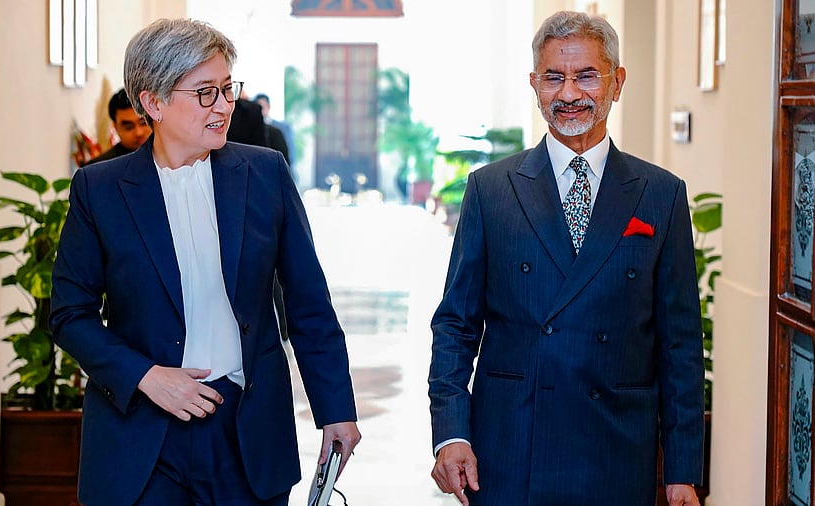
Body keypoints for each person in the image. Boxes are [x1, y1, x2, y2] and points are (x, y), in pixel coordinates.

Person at [50, 18, 361, 506]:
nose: (223, 107)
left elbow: (309, 304)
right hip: (141, 432)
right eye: (204, 93)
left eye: (226, 89)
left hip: (247, 430)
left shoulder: (264, 175)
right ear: (153, 102)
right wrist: (147, 376)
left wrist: (336, 409)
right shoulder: (100, 189)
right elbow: (70, 314)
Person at [427, 11, 704, 506]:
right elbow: (455, 324)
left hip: (616, 449)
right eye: (554, 77)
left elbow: (679, 343)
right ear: (535, 85)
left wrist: (682, 469)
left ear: (617, 83)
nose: (569, 93)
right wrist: (451, 433)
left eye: (586, 76)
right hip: (512, 446)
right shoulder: (491, 190)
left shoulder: (660, 194)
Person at [82, 87, 152, 166]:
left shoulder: (167, 159)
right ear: (115, 127)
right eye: (129, 127)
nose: (138, 133)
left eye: (144, 123)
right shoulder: (97, 169)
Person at [253, 93, 297, 169]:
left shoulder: (283, 128)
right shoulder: (252, 129)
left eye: (263, 107)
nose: (261, 110)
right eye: (258, 107)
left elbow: (291, 153)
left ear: (268, 107)